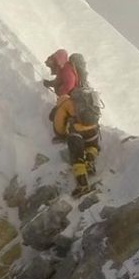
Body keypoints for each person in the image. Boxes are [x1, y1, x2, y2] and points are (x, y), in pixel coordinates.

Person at [42, 49, 100, 197]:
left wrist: (61, 134)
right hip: (94, 130)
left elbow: (59, 125)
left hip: (78, 132)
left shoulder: (65, 102)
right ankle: (91, 162)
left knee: (77, 157)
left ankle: (83, 185)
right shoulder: (85, 96)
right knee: (92, 146)